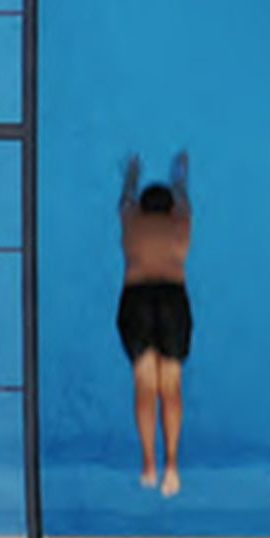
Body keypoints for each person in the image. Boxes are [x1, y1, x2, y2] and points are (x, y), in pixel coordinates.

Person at [116, 150, 192, 497]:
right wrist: (180, 177)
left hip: (138, 297)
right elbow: (183, 197)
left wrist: (131, 175)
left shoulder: (131, 224)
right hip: (172, 298)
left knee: (145, 385)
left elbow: (125, 200)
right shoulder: (182, 225)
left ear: (141, 208)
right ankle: (172, 465)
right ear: (171, 209)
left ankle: (149, 463)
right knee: (171, 386)